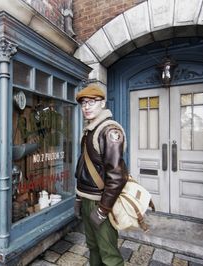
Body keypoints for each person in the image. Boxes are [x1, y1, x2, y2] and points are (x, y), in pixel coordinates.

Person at [74, 83, 128, 266]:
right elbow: (84, 167)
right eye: (83, 103)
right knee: (93, 246)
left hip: (101, 201)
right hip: (88, 199)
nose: (86, 107)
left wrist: (103, 210)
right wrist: (79, 198)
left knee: (109, 255)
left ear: (103, 103)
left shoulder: (109, 131)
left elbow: (117, 176)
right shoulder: (90, 131)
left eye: (92, 102)